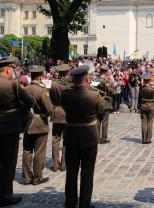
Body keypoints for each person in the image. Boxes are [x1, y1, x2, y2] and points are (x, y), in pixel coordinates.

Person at [0, 58, 35, 207]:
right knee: (8, 162)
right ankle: (5, 195)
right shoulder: (13, 84)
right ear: (8, 70)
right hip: (9, 128)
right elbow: (30, 101)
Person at [61, 65, 105, 208]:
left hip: (71, 135)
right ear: (86, 78)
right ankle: (85, 203)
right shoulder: (94, 94)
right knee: (87, 171)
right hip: (89, 135)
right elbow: (102, 111)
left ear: (73, 79)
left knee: (71, 171)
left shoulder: (65, 94)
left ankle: (70, 201)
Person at [22, 66, 53, 185]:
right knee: (39, 151)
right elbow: (49, 109)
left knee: (27, 151)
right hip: (40, 123)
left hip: (27, 123)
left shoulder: (25, 89)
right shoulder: (42, 90)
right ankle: (37, 177)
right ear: (40, 77)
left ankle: (26, 178)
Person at [50, 64, 72, 172]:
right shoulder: (69, 85)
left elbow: (51, 99)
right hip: (67, 112)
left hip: (56, 111)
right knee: (66, 140)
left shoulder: (53, 84)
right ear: (67, 73)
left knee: (55, 139)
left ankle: (54, 164)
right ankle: (64, 164)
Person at [95, 66, 114, 144]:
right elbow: (110, 91)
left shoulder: (96, 80)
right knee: (105, 121)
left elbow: (93, 88)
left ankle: (96, 137)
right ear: (105, 72)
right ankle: (103, 138)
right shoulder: (104, 81)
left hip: (98, 101)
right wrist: (112, 84)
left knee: (98, 120)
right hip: (105, 102)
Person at [138, 74, 154, 144]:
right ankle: (148, 139)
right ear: (149, 80)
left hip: (143, 106)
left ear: (144, 80)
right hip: (151, 106)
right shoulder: (152, 89)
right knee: (150, 123)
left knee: (143, 122)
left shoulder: (141, 88)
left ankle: (144, 139)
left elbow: (139, 98)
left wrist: (140, 105)